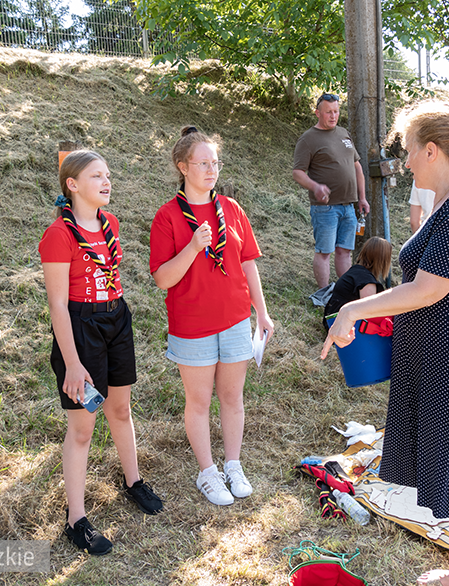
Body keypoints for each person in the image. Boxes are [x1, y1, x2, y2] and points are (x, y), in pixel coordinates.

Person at [323, 100, 449, 586]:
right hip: (448, 367)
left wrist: (353, 309)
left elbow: (430, 288)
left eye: (409, 151)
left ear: (432, 151)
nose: (405, 162)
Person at [39, 150, 163, 557]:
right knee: (83, 428)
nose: (107, 182)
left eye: (108, 175)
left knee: (120, 409)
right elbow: (58, 305)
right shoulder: (58, 234)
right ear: (72, 185)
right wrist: (73, 364)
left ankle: (133, 481)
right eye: (96, 176)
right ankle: (76, 519)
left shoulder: (110, 223)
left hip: (116, 317)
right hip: (81, 327)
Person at [150, 126, 274, 506]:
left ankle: (233, 465)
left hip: (235, 319)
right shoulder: (168, 216)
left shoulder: (231, 209)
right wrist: (192, 247)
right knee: (200, 401)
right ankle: (207, 472)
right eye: (202, 163)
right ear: (182, 167)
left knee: (232, 397)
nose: (211, 170)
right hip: (193, 325)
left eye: (215, 163)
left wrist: (262, 313)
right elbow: (162, 279)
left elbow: (248, 263)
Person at [293, 93, 370, 289]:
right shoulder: (308, 139)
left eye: (336, 111)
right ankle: (324, 293)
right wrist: (315, 186)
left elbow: (357, 167)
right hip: (325, 208)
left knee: (344, 251)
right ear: (317, 113)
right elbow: (297, 172)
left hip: (349, 206)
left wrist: (362, 198)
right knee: (324, 252)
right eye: (328, 112)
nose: (333, 116)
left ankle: (344, 291)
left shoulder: (343, 133)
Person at [323, 236, 392, 328]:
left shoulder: (356, 271)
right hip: (342, 325)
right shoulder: (367, 281)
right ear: (383, 260)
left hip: (333, 320)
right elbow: (368, 311)